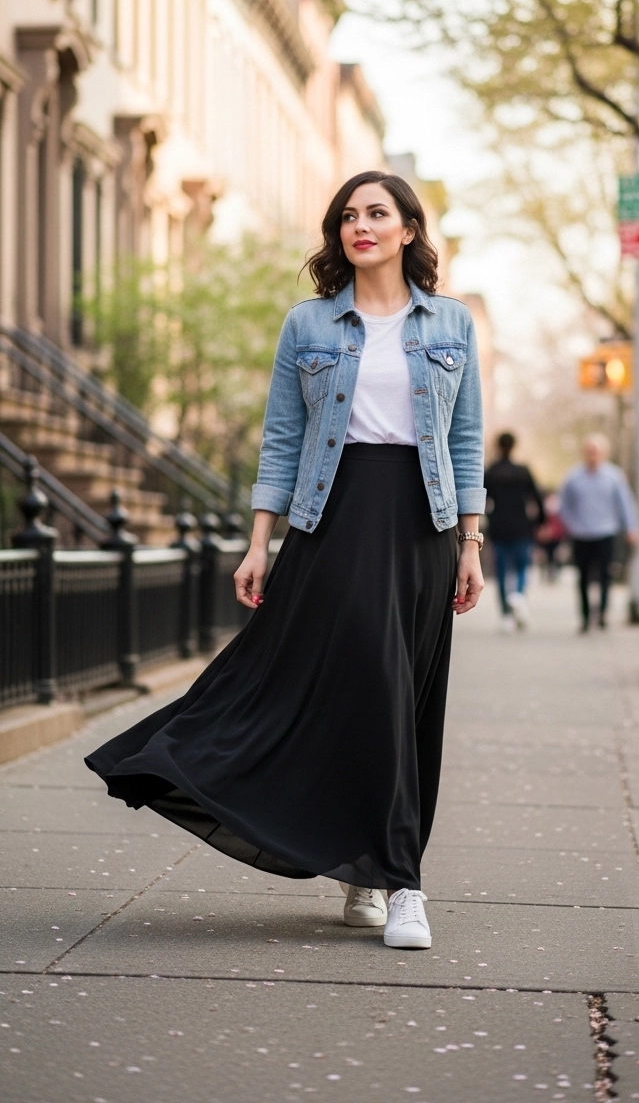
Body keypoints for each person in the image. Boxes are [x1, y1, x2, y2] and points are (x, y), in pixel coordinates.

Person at [85, 170, 485, 952]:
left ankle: (380, 874)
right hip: (332, 519)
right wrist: (259, 540)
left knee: (401, 701)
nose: (359, 226)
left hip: (421, 524)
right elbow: (283, 440)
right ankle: (395, 879)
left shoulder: (451, 324)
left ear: (409, 229)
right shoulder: (309, 326)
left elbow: (463, 441)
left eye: (377, 214)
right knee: (350, 688)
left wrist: (470, 543)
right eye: (347, 216)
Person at [559, 433, 638, 633]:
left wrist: (631, 528)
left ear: (603, 453)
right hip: (581, 534)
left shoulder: (614, 476)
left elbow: (625, 504)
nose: (592, 454)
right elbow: (564, 505)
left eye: (596, 451)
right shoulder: (573, 476)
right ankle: (585, 617)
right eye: (589, 451)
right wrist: (570, 525)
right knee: (583, 577)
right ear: (584, 453)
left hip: (606, 532)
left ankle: (602, 614)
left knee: (605, 575)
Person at [484, 432, 545, 631]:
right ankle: (517, 595)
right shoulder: (523, 471)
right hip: (521, 526)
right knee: (521, 568)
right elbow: (537, 498)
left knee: (501, 571)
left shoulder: (491, 471)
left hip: (499, 526)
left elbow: (483, 498)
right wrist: (539, 522)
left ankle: (506, 615)